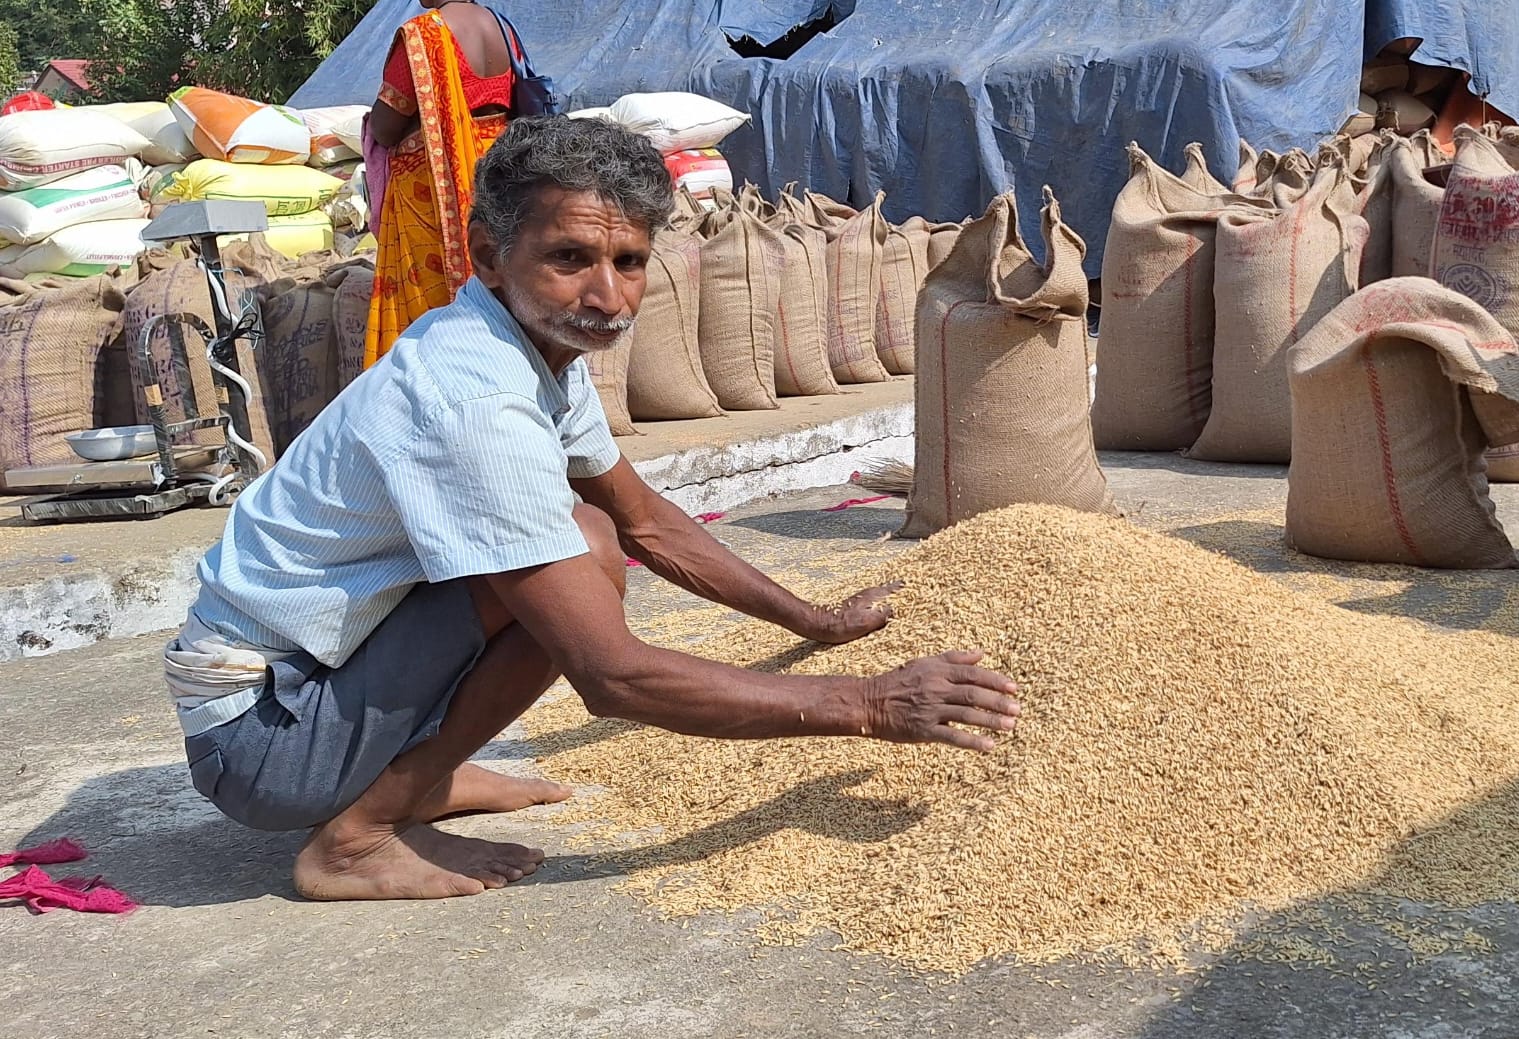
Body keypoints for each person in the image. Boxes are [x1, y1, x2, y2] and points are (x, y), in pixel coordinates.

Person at [162, 117, 1021, 903]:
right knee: (575, 553)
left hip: (319, 684)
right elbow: (612, 676)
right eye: (569, 258)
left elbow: (647, 521)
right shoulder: (477, 401)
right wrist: (869, 703)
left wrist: (816, 620)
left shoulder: (532, 345)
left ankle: (416, 774)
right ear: (489, 254)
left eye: (629, 262)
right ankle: (358, 834)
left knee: (592, 534)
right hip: (264, 739)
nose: (608, 296)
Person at [361, 0, 518, 368]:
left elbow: (385, 127)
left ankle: (434, 380)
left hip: (432, 194)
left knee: (431, 313)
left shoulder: (424, 34)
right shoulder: (502, 29)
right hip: (496, 181)